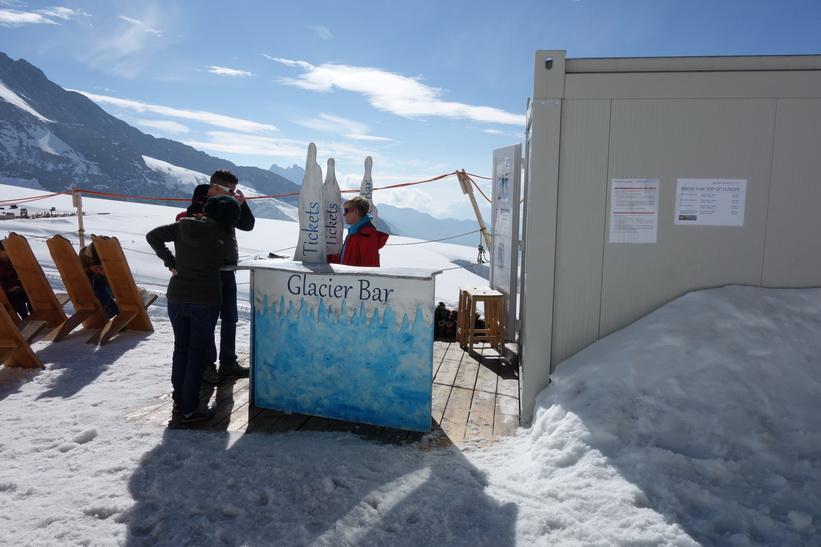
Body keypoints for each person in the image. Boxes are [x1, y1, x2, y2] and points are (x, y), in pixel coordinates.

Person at [146, 194, 241, 423]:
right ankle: (189, 409)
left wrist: (171, 262)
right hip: (205, 298)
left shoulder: (183, 224)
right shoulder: (223, 233)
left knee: (181, 350)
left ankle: (180, 402)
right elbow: (232, 260)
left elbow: (153, 236)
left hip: (177, 296)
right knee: (196, 354)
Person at [178, 169, 255, 385]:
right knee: (208, 321)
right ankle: (207, 367)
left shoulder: (229, 202)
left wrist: (242, 204)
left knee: (230, 318)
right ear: (214, 187)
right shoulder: (200, 202)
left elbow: (247, 225)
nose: (232, 194)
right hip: (208, 272)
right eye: (229, 190)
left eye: (235, 190)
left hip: (227, 268)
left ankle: (228, 363)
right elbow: (192, 224)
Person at [329, 195, 389, 267]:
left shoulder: (367, 235)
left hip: (353, 277)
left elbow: (369, 268)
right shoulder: (355, 232)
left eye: (346, 210)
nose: (344, 214)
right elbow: (346, 258)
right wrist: (326, 258)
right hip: (348, 276)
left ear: (356, 212)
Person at [79, 242, 120, 320]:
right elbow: (79, 270)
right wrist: (90, 269)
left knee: (101, 291)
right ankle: (117, 313)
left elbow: (118, 277)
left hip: (107, 286)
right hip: (89, 284)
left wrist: (105, 273)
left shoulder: (112, 255)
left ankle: (117, 312)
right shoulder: (84, 253)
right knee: (95, 291)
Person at [0, 241, 32, 320]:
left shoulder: (10, 261)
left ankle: (34, 314)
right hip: (4, 292)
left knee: (29, 291)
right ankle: (25, 317)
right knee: (17, 296)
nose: (9, 253)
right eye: (6, 251)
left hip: (15, 286)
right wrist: (7, 289)